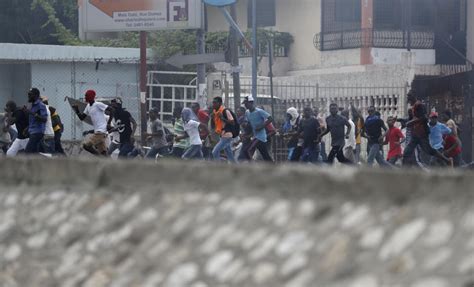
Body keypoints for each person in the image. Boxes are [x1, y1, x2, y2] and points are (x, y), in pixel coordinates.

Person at [402, 94, 453, 167]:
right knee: (406, 152)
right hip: (415, 134)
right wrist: (403, 121)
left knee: (429, 151)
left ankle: (447, 160)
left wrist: (410, 122)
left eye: (409, 97)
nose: (408, 99)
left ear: (414, 97)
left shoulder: (419, 105)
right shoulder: (412, 108)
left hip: (422, 134)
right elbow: (411, 119)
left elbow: (424, 118)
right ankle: (404, 171)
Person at [72, 90, 108, 156]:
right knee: (103, 153)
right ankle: (110, 164)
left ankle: (100, 158)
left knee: (86, 145)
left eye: (86, 95)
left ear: (91, 96)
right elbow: (82, 118)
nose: (85, 97)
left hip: (101, 132)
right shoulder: (88, 106)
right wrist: (77, 110)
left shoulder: (97, 104)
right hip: (98, 132)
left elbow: (111, 109)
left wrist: (109, 123)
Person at [244, 96, 274, 162]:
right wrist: (248, 133)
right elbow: (250, 124)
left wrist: (261, 127)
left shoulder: (259, 111)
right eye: (244, 103)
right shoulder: (247, 112)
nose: (245, 105)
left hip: (260, 137)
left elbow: (270, 118)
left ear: (251, 103)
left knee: (247, 150)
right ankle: (273, 167)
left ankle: (252, 167)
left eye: (246, 103)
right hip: (255, 136)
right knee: (265, 155)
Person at [211, 97, 237, 163]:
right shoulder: (215, 112)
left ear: (220, 103)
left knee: (215, 152)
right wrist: (212, 117)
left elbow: (232, 122)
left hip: (227, 135)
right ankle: (236, 167)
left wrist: (222, 117)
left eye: (215, 103)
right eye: (213, 103)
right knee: (229, 155)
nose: (213, 104)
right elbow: (214, 125)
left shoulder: (225, 111)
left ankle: (218, 168)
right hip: (222, 135)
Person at [25, 88, 48, 154]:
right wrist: (27, 128)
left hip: (37, 132)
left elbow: (44, 119)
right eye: (28, 94)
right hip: (32, 131)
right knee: (34, 153)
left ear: (36, 95)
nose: (28, 96)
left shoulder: (41, 105)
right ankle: (49, 159)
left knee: (27, 152)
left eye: (30, 94)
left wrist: (31, 112)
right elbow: (32, 120)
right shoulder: (31, 105)